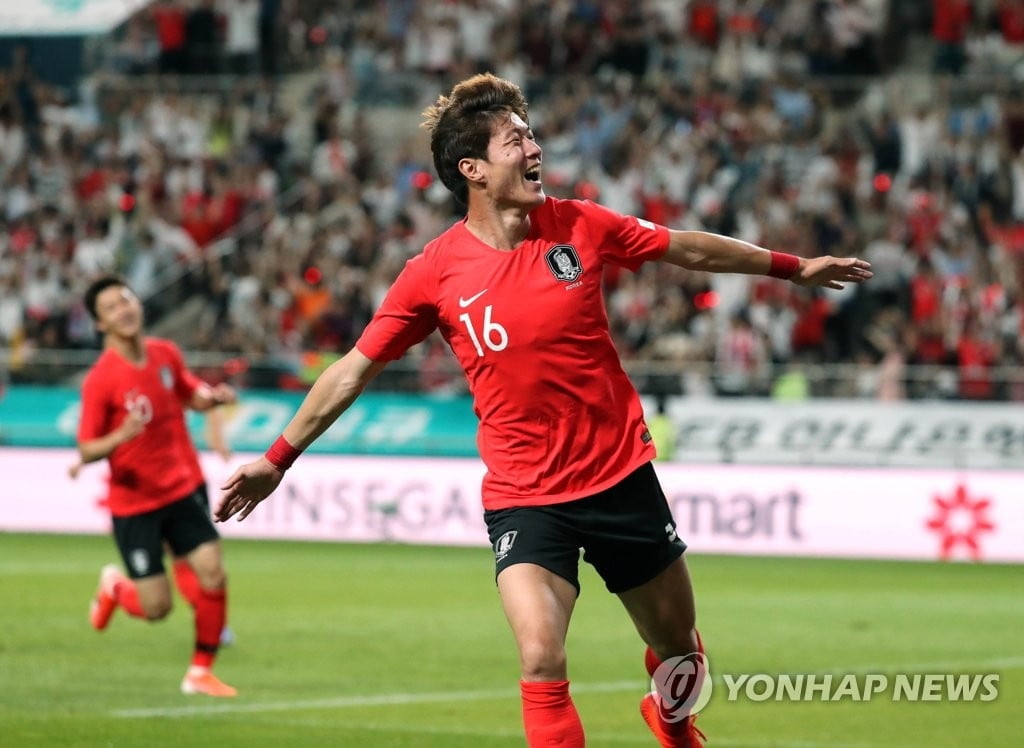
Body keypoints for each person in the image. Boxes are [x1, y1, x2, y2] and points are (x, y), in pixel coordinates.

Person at [215, 73, 872, 745]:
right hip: (525, 496)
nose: (533, 148)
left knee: (678, 650)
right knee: (539, 656)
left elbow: (687, 245)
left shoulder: (579, 225)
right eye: (514, 139)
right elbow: (351, 371)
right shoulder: (433, 273)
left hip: (619, 478)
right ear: (472, 168)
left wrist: (794, 269)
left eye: (530, 135)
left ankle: (672, 717)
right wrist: (277, 459)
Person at [77, 275, 238, 697]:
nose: (123, 310)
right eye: (111, 307)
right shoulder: (100, 380)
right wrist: (120, 437)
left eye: (126, 300)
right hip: (135, 505)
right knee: (156, 608)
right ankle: (115, 587)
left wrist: (211, 398)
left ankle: (199, 671)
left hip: (181, 490)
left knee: (212, 571)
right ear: (100, 324)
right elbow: (87, 448)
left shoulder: (165, 354)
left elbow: (189, 393)